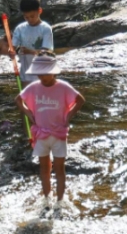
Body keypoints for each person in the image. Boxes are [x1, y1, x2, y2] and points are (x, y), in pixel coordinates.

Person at [16, 54, 85, 213]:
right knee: (44, 167)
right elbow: (18, 100)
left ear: (54, 72)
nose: (42, 77)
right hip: (41, 134)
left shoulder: (63, 87)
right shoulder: (34, 87)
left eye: (45, 73)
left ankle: (60, 201)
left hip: (59, 133)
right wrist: (28, 113)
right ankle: (47, 198)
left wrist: (69, 115)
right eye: (39, 74)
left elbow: (80, 100)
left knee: (60, 168)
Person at [11, 0, 54, 81]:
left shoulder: (45, 29)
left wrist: (30, 51)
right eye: (26, 17)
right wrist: (11, 52)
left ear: (39, 11)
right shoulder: (20, 29)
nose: (30, 19)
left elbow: (46, 52)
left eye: (32, 16)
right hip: (25, 73)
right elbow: (12, 48)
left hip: (43, 74)